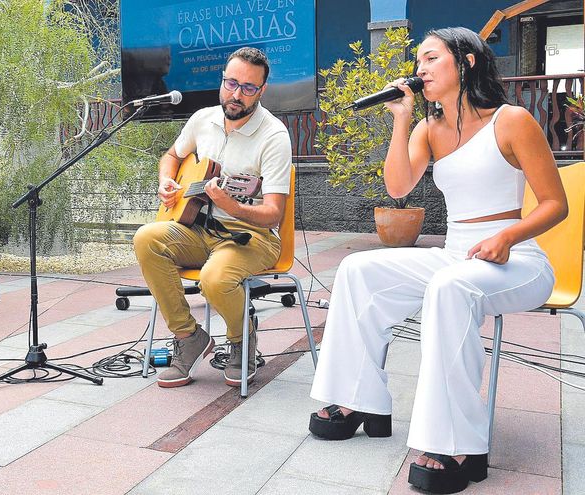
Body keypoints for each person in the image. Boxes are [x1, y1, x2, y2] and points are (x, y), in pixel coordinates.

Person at [308, 27, 568, 494]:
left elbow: (554, 204)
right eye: (418, 61)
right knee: (358, 270)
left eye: (430, 58)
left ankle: (455, 443)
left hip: (519, 259)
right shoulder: (430, 128)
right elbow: (397, 187)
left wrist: (508, 236)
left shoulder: (511, 121)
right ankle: (357, 399)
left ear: (466, 62)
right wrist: (401, 121)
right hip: (456, 253)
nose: (420, 68)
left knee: (452, 288)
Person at [133, 47, 292, 388]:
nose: (236, 94)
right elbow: (171, 156)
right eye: (231, 83)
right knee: (147, 238)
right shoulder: (202, 119)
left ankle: (241, 341)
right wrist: (166, 181)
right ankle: (189, 335)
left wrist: (229, 204)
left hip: (251, 237)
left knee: (215, 277)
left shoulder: (274, 136)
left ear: (262, 91)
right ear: (222, 80)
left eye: (248, 88)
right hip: (199, 228)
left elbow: (272, 214)